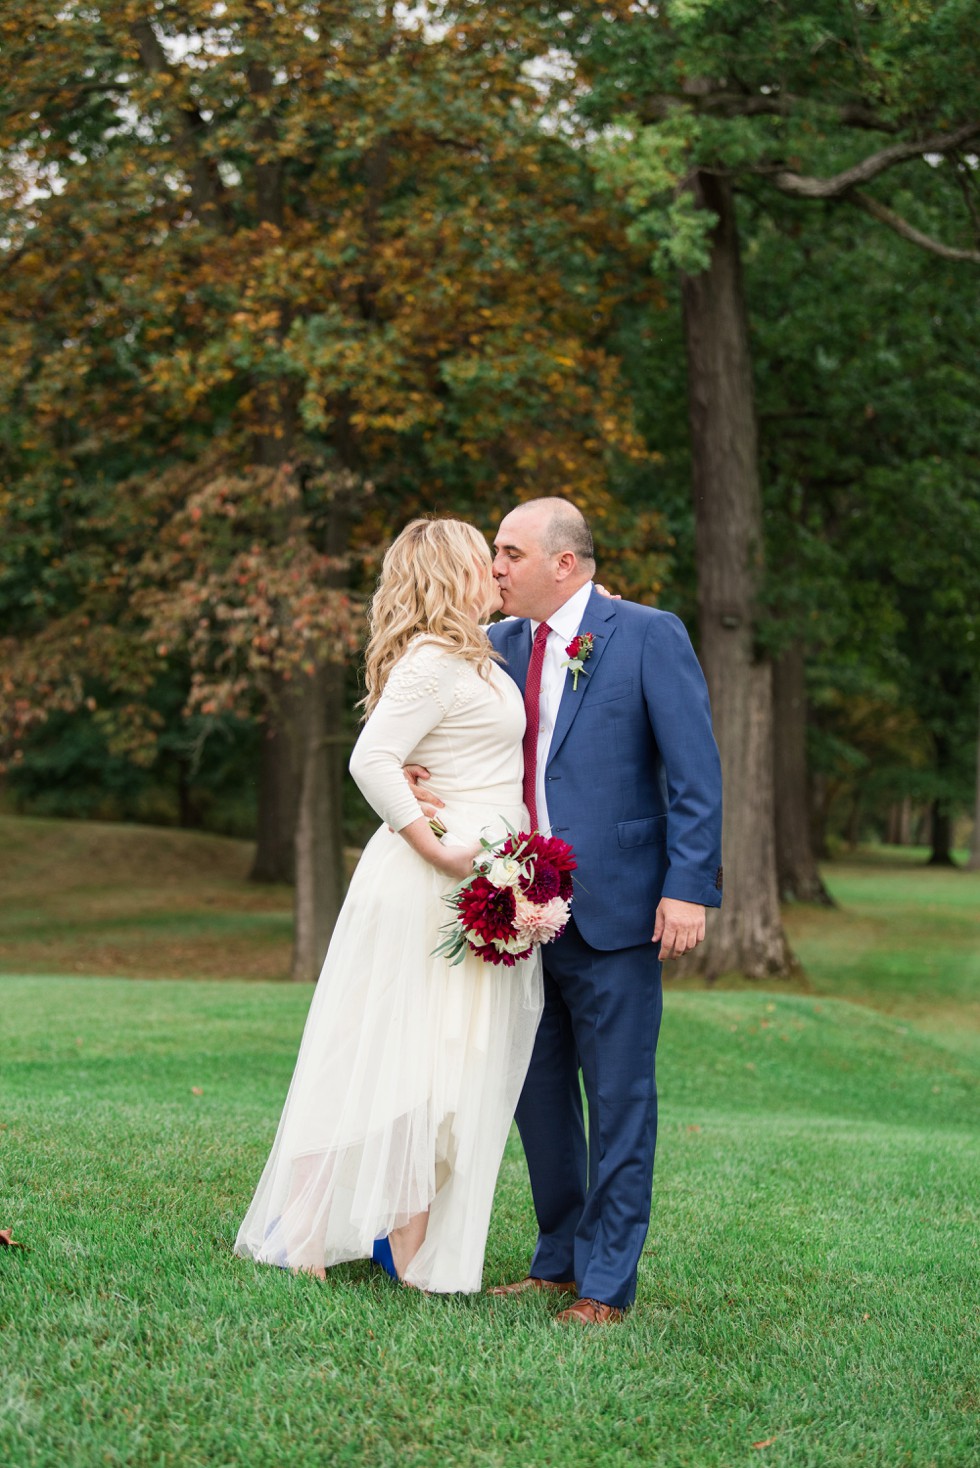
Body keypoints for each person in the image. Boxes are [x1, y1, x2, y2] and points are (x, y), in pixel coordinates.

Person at [410, 498, 723, 1324]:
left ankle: (605, 1284)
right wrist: (407, 774)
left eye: (510, 553)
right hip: (512, 911)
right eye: (494, 554)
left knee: (620, 1097)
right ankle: (556, 1258)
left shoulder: (649, 634)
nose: (495, 568)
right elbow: (437, 725)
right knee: (535, 1093)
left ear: (566, 563)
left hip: (619, 910)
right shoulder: (498, 645)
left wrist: (687, 886)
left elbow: (696, 773)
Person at [234, 517, 544, 1293]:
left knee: (449, 1066)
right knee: (391, 1056)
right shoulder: (434, 659)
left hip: (487, 881)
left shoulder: (473, 650)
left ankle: (405, 1244)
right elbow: (370, 757)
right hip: (430, 883)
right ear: (452, 574)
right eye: (486, 561)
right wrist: (434, 845)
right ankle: (302, 1225)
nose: (498, 574)